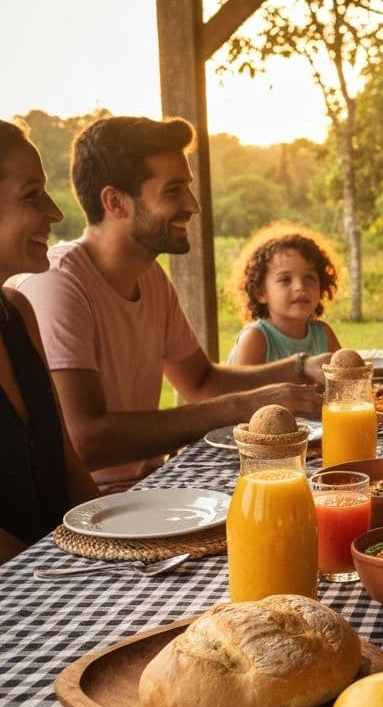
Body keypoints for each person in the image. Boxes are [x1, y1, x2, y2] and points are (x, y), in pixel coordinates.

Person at [19, 116, 329, 494]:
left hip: (154, 486)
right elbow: (87, 440)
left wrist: (301, 366)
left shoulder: (150, 277)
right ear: (115, 202)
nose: (193, 205)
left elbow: (201, 382)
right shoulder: (60, 283)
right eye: (173, 190)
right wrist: (246, 405)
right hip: (95, 507)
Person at [0, 121, 98, 560]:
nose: (56, 212)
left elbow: (68, 466)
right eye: (31, 194)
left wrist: (112, 549)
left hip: (62, 577)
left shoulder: (17, 311)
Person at [227, 225, 341, 365]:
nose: (300, 287)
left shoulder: (323, 334)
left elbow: (344, 380)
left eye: (309, 278)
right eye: (285, 280)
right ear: (261, 293)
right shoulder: (255, 337)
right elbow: (243, 386)